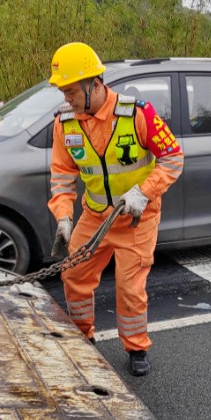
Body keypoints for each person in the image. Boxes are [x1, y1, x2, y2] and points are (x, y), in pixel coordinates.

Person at [46, 42, 183, 377]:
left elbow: (173, 157)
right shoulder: (65, 124)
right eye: (64, 92)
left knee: (130, 286)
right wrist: (63, 217)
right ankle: (83, 338)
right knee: (74, 275)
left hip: (137, 218)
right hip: (94, 217)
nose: (68, 99)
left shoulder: (137, 113)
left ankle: (136, 346)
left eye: (71, 91)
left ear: (94, 84)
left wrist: (144, 192)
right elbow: (63, 176)